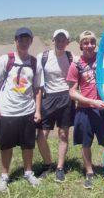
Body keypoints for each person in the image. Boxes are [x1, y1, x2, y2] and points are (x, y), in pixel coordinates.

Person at [0, 27, 43, 192]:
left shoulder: (34, 62)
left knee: (28, 145)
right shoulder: (6, 59)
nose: (24, 42)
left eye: (27, 39)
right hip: (8, 111)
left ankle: (28, 172)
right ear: (15, 40)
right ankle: (4, 176)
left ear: (31, 42)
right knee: (6, 146)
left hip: (27, 111)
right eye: (21, 39)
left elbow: (38, 88)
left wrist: (38, 110)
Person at [66, 30, 104, 189]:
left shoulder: (103, 59)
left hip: (103, 109)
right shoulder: (76, 64)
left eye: (92, 42)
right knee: (86, 144)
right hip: (85, 110)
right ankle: (89, 172)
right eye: (85, 43)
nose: (89, 46)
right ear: (80, 45)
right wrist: (92, 102)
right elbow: (72, 92)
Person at [36, 29, 75, 182]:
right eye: (57, 39)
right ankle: (47, 164)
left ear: (67, 42)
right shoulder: (43, 57)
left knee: (63, 134)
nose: (60, 42)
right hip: (48, 98)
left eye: (63, 40)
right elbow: (36, 79)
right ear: (53, 40)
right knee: (41, 136)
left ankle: (60, 167)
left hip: (66, 97)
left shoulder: (71, 56)